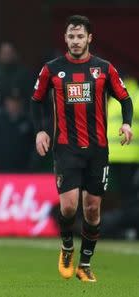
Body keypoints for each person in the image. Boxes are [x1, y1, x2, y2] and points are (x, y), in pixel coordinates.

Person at [31, 15, 134, 282]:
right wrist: (41, 130)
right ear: (65, 39)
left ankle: (85, 265)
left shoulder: (104, 69)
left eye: (80, 36)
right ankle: (67, 247)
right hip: (66, 148)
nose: (75, 41)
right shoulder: (52, 70)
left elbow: (125, 99)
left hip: (98, 150)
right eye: (71, 36)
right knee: (68, 207)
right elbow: (36, 101)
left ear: (89, 38)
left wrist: (126, 124)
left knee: (91, 209)